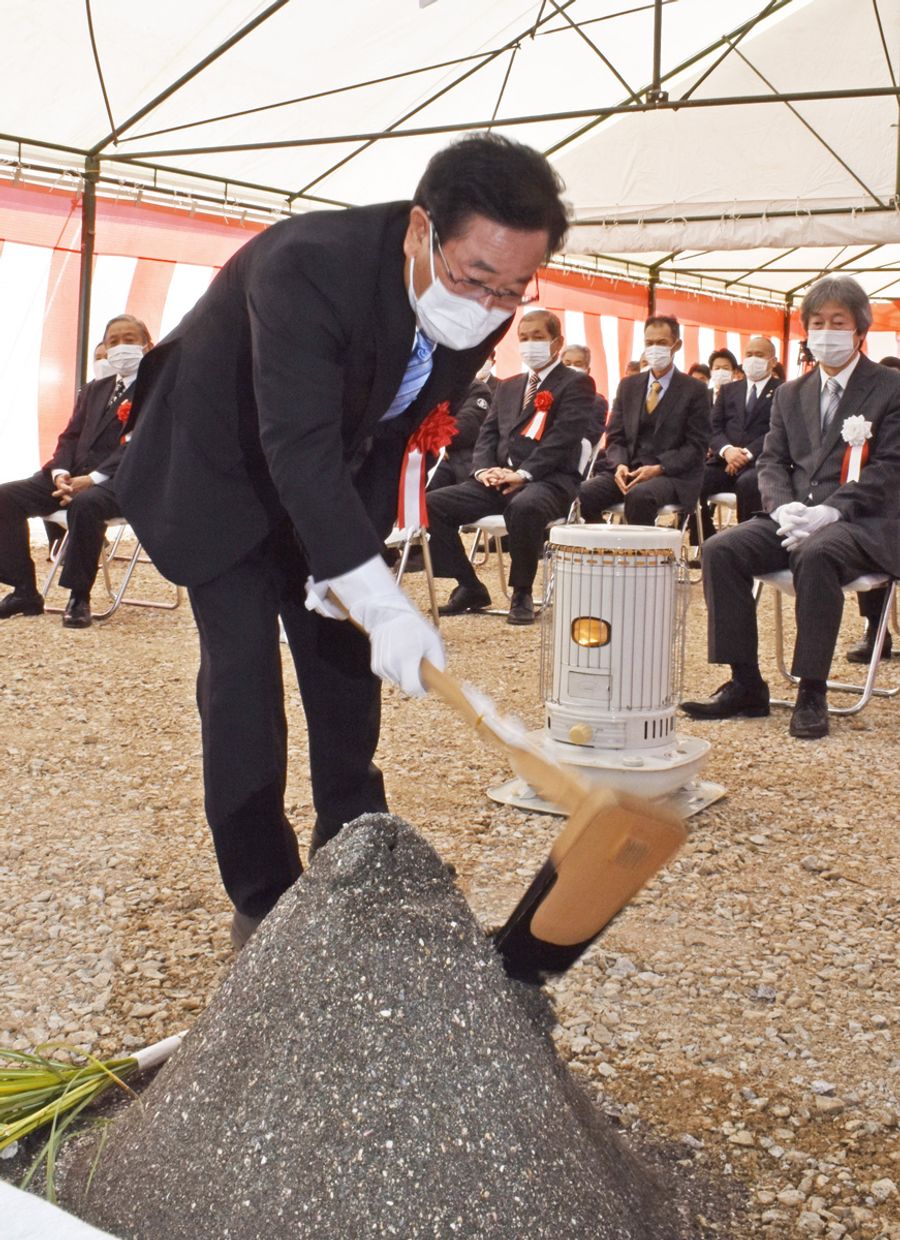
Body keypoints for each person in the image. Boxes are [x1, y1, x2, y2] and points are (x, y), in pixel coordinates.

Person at [115, 133, 570, 948]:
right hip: (214, 468)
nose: (489, 307)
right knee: (244, 673)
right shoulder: (307, 264)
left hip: (323, 473)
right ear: (420, 230)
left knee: (341, 660)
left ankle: (355, 847)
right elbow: (296, 442)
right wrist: (365, 578)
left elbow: (389, 427)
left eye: (513, 290)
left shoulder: (481, 308)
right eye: (474, 278)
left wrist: (355, 558)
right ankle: (264, 898)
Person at [681, 275, 900, 739]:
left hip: (860, 523)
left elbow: (890, 468)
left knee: (815, 553)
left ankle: (812, 690)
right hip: (795, 514)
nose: (826, 331)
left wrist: (832, 511)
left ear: (859, 330)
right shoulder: (790, 393)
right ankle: (745, 683)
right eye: (817, 322)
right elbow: (773, 461)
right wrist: (781, 508)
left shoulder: (890, 388)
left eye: (837, 322)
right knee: (723, 549)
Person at [426, 309, 594, 626]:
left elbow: (562, 439)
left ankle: (522, 592)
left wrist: (524, 474)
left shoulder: (577, 384)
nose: (530, 344)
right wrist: (483, 470)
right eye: (524, 338)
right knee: (432, 504)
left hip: (548, 481)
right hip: (499, 479)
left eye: (538, 338)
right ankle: (469, 585)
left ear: (557, 342)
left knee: (525, 507)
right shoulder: (508, 386)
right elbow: (486, 436)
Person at [0, 314, 151, 628]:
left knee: (86, 504)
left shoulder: (157, 390)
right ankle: (24, 590)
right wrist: (60, 473)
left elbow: (140, 445)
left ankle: (78, 597)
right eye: (113, 342)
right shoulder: (95, 389)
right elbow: (70, 436)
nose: (121, 347)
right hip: (73, 475)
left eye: (129, 340)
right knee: (5, 497)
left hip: (121, 481)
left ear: (147, 346)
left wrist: (92, 480)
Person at [578, 315, 710, 525]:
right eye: (649, 343)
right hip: (629, 470)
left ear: (676, 345)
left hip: (671, 475)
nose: (654, 348)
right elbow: (615, 435)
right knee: (583, 493)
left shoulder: (695, 390)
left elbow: (697, 445)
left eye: (662, 343)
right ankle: (605, 550)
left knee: (640, 496)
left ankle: (642, 556)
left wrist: (660, 468)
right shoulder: (629, 386)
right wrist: (620, 464)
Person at [696, 335, 781, 536]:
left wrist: (746, 454)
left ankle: (746, 539)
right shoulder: (729, 390)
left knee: (748, 484)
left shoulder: (783, 390)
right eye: (749, 354)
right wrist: (727, 451)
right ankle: (702, 536)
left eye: (759, 355)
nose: (753, 359)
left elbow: (777, 431)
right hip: (724, 460)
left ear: (773, 361)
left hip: (759, 463)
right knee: (694, 478)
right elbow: (713, 427)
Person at [560, 344, 608, 443]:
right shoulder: (550, 395)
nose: (572, 368)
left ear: (588, 370)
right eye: (567, 364)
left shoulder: (596, 402)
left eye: (578, 364)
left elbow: (589, 439)